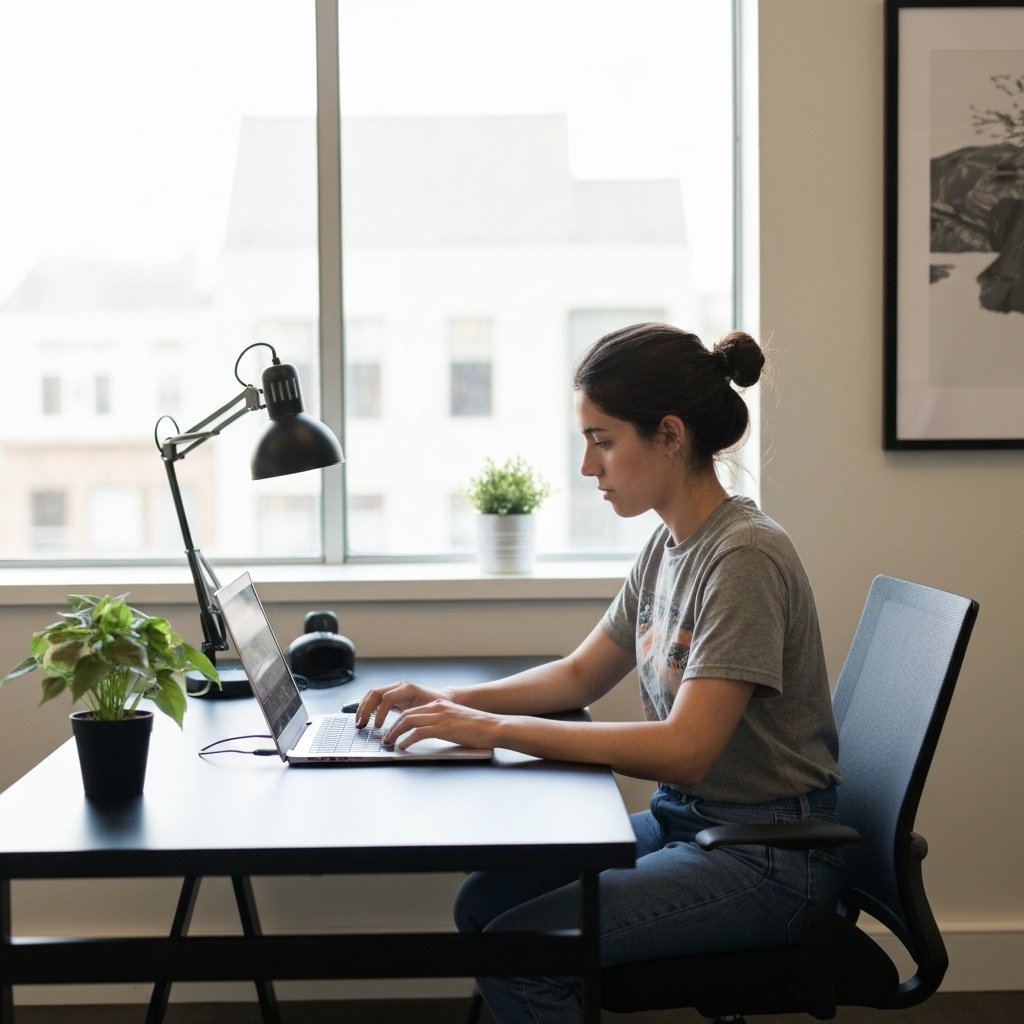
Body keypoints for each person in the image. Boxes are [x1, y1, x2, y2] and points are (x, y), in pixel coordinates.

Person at [356, 322, 843, 1024]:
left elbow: (686, 749)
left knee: (522, 952)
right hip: (691, 822)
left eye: (603, 440)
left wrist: (492, 728)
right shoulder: (669, 543)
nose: (589, 468)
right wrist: (449, 701)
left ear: (670, 435)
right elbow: (582, 674)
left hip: (768, 856)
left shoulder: (745, 558)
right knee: (483, 904)